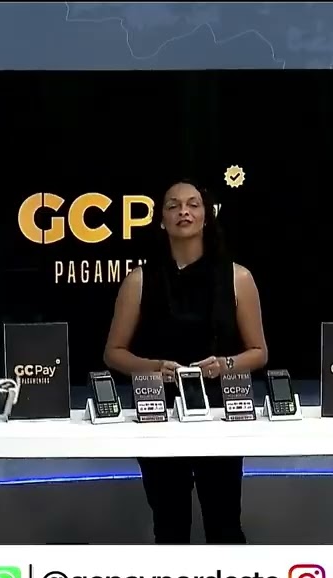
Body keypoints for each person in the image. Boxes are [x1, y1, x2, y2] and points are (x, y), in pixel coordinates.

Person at [102, 179, 269, 544]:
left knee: (224, 523)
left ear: (207, 216)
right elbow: (113, 352)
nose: (184, 212)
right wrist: (152, 367)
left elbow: (259, 352)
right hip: (159, 414)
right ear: (161, 219)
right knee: (169, 525)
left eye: (193, 204)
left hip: (221, 414)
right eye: (173, 205)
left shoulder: (238, 278)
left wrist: (224, 365)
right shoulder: (139, 280)